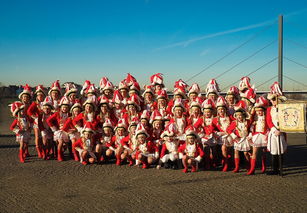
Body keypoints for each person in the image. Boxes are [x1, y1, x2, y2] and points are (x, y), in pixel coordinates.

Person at [266, 82, 287, 175]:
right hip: (273, 132)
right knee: (274, 151)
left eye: (274, 99)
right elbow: (268, 121)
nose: (272, 101)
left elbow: (287, 121)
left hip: (281, 132)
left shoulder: (284, 108)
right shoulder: (269, 109)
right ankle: (275, 169)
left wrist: (281, 130)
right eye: (271, 99)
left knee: (281, 151)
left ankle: (281, 169)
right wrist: (274, 130)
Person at [227, 102, 252, 173]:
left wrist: (250, 135)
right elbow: (228, 130)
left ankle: (248, 166)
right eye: (237, 116)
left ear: (243, 116)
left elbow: (251, 129)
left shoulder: (247, 122)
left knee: (246, 153)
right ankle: (237, 167)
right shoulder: (234, 122)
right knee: (236, 151)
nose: (239, 117)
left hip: (245, 139)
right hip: (238, 139)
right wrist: (234, 136)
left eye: (240, 116)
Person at [248, 96, 269, 175]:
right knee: (254, 152)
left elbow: (269, 126)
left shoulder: (266, 117)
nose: (259, 112)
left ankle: (264, 167)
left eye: (260, 111)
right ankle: (252, 168)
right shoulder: (254, 117)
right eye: (257, 111)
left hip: (264, 135)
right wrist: (251, 131)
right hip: (256, 135)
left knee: (264, 152)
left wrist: (267, 133)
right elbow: (251, 125)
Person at [212, 96, 234, 172]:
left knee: (230, 150)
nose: (221, 111)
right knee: (223, 148)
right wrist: (216, 133)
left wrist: (228, 131)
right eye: (219, 110)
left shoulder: (230, 117)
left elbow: (234, 124)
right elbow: (212, 128)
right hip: (221, 136)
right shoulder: (215, 119)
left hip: (230, 135)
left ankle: (230, 162)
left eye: (222, 109)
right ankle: (226, 164)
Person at [46, 96, 71, 161]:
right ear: (60, 107)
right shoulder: (57, 114)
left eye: (66, 107)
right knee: (61, 142)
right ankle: (59, 156)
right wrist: (54, 128)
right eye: (63, 107)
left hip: (67, 131)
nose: (64, 109)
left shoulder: (70, 114)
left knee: (65, 145)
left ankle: (61, 153)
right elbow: (48, 120)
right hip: (59, 131)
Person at [27, 85, 46, 158]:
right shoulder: (34, 103)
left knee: (43, 137)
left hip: (43, 122)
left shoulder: (44, 103)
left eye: (41, 95)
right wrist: (34, 117)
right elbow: (29, 111)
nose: (40, 97)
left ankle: (43, 150)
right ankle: (39, 151)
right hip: (37, 123)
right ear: (37, 96)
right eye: (39, 96)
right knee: (37, 137)